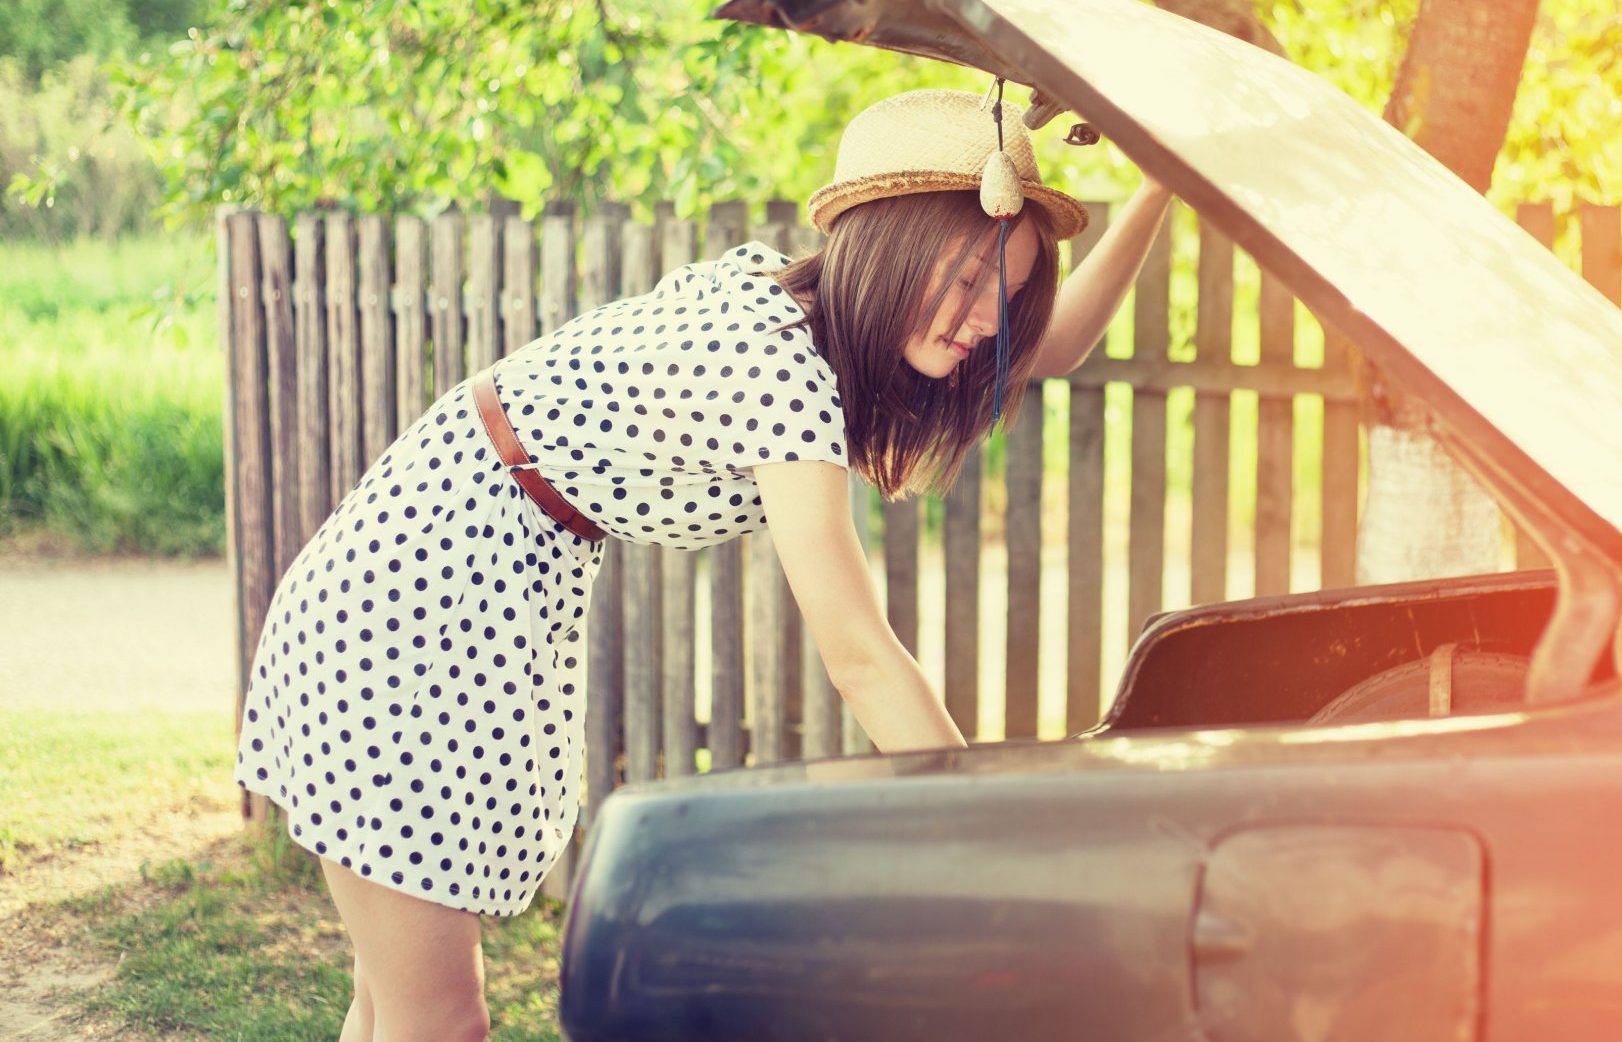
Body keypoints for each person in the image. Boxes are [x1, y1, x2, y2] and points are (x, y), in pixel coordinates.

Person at [233, 86, 1175, 1041]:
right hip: (417, 593)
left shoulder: (807, 319)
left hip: (485, 577)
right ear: (888, 250)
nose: (987, 318)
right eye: (969, 279)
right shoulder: (776, 359)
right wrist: (988, 828)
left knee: (394, 1006)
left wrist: (1158, 186)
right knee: (439, 1018)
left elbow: (1051, 348)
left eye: (1005, 293)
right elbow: (857, 649)